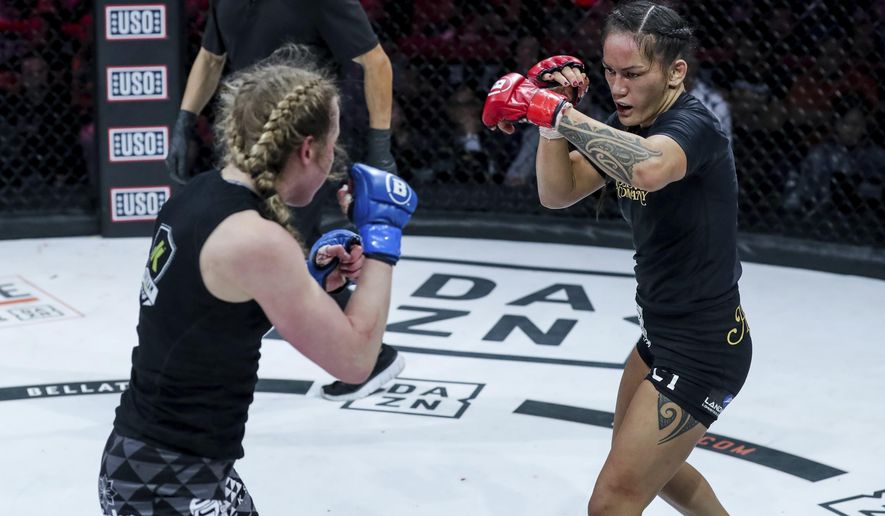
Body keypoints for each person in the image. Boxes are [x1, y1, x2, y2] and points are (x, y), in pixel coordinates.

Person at [98, 49, 417, 514]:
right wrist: (383, 240)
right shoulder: (257, 240)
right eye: (333, 143)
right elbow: (356, 362)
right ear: (308, 149)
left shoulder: (200, 196)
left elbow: (209, 315)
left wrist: (306, 280)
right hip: (170, 477)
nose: (335, 157)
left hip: (158, 461)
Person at [482, 2, 751, 514]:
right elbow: (558, 192)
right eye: (608, 71)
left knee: (611, 502)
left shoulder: (696, 125)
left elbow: (650, 167)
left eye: (633, 73)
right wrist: (551, 126)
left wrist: (559, 112)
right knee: (652, 470)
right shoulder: (620, 121)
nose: (617, 87)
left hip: (705, 347)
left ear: (675, 72)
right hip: (660, 332)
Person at [165, 0, 402, 401]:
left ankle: (369, 355)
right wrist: (185, 119)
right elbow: (210, 56)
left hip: (299, 153)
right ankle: (366, 352)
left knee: (278, 256)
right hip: (243, 145)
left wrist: (381, 147)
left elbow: (375, 62)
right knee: (275, 255)